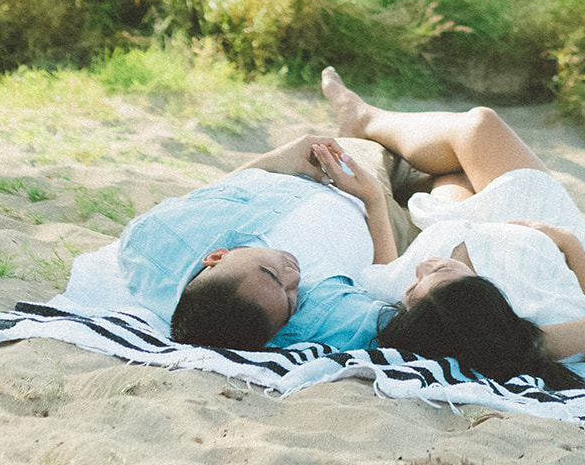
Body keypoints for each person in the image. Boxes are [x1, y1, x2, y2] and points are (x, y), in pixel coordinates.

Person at [320, 68, 585, 386]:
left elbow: (383, 269)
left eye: (413, 286)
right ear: (482, 301)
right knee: (481, 123)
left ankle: (371, 129)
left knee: (451, 174)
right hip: (534, 221)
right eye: (439, 273)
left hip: (455, 222)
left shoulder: (424, 307)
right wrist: (566, 242)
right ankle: (364, 118)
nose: (422, 267)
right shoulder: (539, 325)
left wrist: (372, 198)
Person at [116, 132, 398, 351]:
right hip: (377, 208)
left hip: (316, 167)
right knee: (436, 157)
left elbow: (203, 200)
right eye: (290, 299)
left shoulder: (148, 245)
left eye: (271, 273)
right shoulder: (314, 317)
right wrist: (373, 199)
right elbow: (388, 284)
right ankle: (365, 118)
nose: (294, 276)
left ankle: (363, 120)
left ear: (216, 256)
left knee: (400, 147)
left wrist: (278, 159)